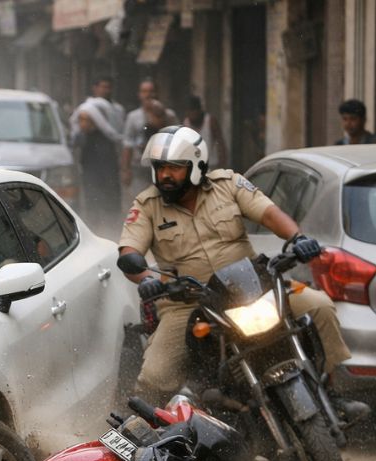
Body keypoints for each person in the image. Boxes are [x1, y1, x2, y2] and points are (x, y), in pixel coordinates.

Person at [118, 125, 363, 420]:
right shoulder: (147, 205)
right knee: (155, 376)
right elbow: (129, 252)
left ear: (196, 167)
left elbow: (269, 213)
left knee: (320, 306)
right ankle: (154, 436)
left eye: (174, 168)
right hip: (188, 302)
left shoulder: (229, 184)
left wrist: (297, 239)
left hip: (252, 288)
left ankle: (328, 392)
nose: (165, 176)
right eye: (160, 168)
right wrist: (147, 280)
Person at [70, 78, 126, 238]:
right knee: (92, 199)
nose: (106, 90)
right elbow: (76, 139)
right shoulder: (87, 109)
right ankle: (94, 232)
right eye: (103, 87)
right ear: (95, 88)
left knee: (112, 199)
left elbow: (119, 136)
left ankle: (113, 231)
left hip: (109, 163)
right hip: (90, 165)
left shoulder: (116, 110)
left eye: (109, 87)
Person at [120, 79, 178, 194]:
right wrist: (125, 170)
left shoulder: (169, 116)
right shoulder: (133, 117)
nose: (148, 95)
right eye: (144, 91)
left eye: (151, 91)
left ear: (156, 94)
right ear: (139, 94)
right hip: (140, 167)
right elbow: (128, 144)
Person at [182, 95, 226, 169]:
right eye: (190, 112)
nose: (192, 115)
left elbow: (221, 143)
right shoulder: (186, 124)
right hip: (195, 166)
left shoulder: (210, 121)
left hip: (212, 165)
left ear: (199, 110)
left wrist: (222, 165)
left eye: (194, 111)